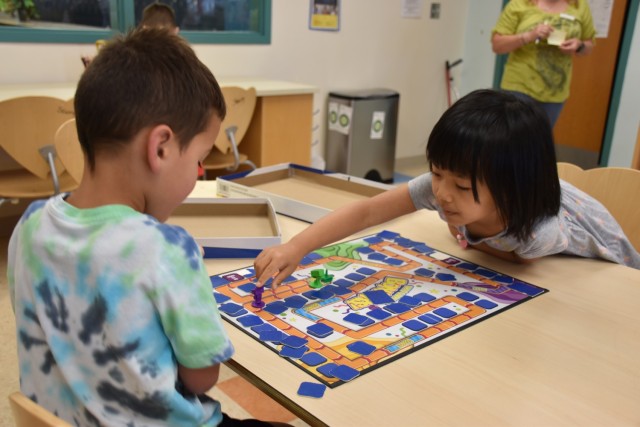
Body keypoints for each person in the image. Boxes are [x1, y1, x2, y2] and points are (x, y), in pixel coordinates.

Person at [9, 28, 288, 427]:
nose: (197, 174)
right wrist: (191, 292)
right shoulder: (168, 249)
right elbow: (202, 378)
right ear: (160, 148)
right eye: (199, 159)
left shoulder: (30, 225)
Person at [253, 89, 640, 290]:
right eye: (436, 173)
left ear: (510, 189)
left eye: (461, 185)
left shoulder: (537, 232)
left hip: (607, 268)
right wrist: (296, 247)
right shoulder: (448, 184)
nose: (442, 193)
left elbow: (523, 259)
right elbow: (368, 211)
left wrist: (469, 239)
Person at [491, 0, 596, 127]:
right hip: (519, 85)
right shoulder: (519, 4)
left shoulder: (579, 5)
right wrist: (529, 36)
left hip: (555, 90)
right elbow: (497, 45)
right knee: (513, 139)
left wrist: (579, 46)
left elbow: (589, 45)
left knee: (540, 141)